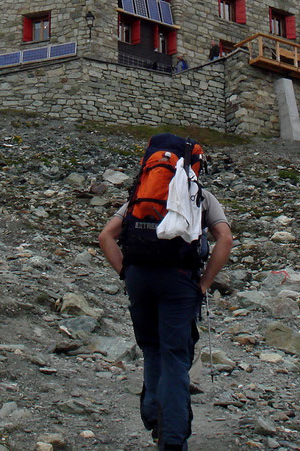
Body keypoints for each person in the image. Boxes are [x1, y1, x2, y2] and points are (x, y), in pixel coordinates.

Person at [98, 151, 233, 451]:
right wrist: (205, 283)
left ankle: (153, 415)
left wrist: (125, 272)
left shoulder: (143, 196)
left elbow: (106, 235)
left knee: (153, 349)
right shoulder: (201, 196)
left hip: (139, 278)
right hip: (180, 281)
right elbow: (225, 238)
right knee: (175, 357)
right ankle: (172, 439)